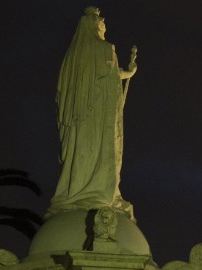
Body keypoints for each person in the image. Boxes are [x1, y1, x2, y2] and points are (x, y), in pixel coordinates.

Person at [50, 6, 138, 220]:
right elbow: (111, 74)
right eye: (102, 22)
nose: (104, 25)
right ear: (95, 26)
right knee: (100, 151)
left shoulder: (71, 57)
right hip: (99, 117)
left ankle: (76, 189)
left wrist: (128, 72)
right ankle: (99, 191)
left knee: (81, 152)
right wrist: (129, 72)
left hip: (80, 120)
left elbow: (64, 90)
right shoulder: (105, 48)